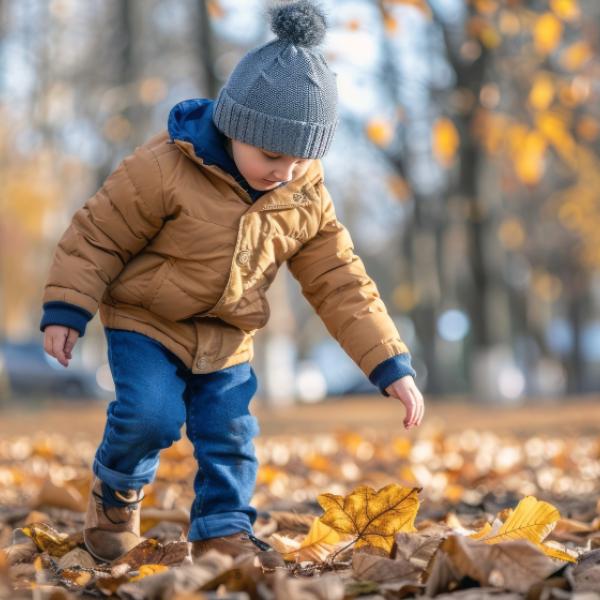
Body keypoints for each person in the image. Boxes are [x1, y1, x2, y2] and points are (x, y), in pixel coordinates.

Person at [40, 0, 424, 562]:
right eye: (272, 155)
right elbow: (98, 234)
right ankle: (117, 491)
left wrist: (389, 364)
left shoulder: (303, 196)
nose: (284, 173)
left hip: (226, 337)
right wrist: (67, 310)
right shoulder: (165, 168)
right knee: (151, 415)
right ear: (235, 125)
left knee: (231, 438)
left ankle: (222, 529)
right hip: (148, 322)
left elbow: (341, 281)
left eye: (300, 160)